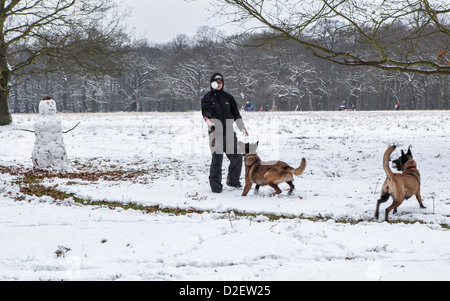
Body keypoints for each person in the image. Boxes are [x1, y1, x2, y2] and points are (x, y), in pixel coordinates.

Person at [201, 73, 249, 193]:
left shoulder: (228, 98)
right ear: (212, 83)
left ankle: (233, 181)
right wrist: (208, 119)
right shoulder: (207, 98)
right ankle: (216, 186)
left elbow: (236, 114)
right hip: (215, 131)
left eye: (221, 82)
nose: (219, 84)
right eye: (216, 82)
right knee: (217, 159)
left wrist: (241, 127)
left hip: (228, 130)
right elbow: (206, 111)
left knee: (237, 158)